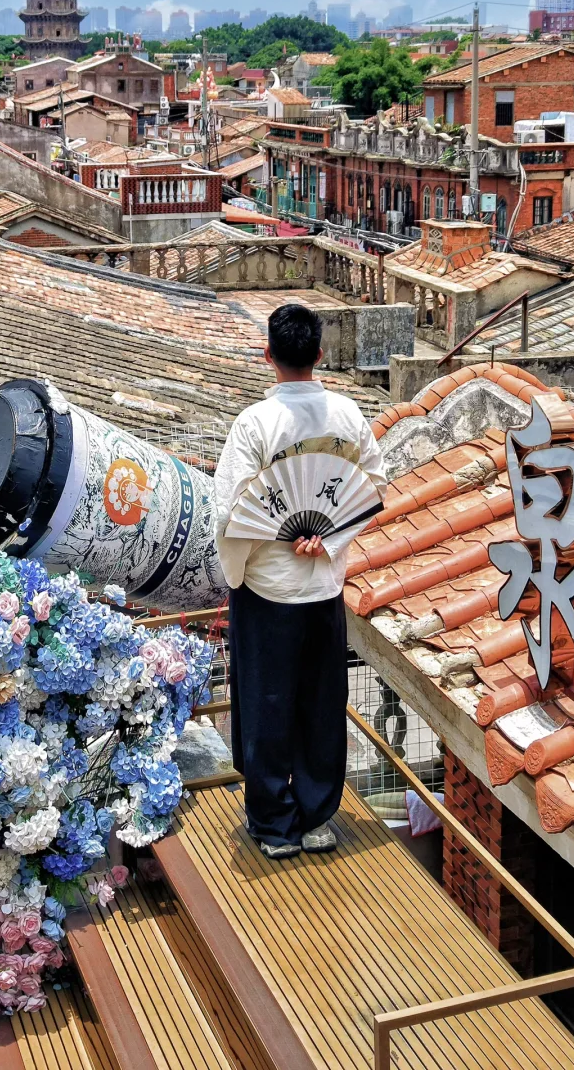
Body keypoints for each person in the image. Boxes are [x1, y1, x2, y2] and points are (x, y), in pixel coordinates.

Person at [212, 303, 388, 859]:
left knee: (266, 700)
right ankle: (316, 817)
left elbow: (230, 511)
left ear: (269, 355)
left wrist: (244, 562)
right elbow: (372, 486)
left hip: (267, 586)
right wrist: (329, 539)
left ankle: (272, 823)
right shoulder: (348, 415)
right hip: (324, 589)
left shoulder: (254, 424)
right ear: (318, 354)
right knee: (320, 700)